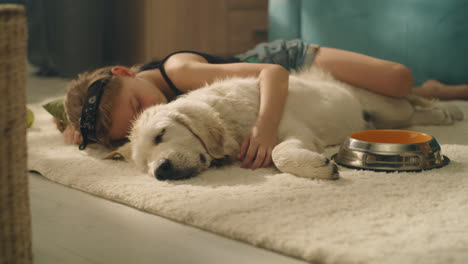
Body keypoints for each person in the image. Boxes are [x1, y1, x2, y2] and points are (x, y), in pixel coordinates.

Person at [62, 39, 468, 170]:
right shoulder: (144, 118)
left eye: (137, 105)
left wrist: (267, 127)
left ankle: (433, 90)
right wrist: (78, 129)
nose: (141, 118)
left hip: (288, 62)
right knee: (383, 95)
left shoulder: (179, 70)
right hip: (295, 90)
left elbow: (271, 74)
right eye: (130, 125)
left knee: (398, 80)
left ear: (125, 72)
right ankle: (403, 95)